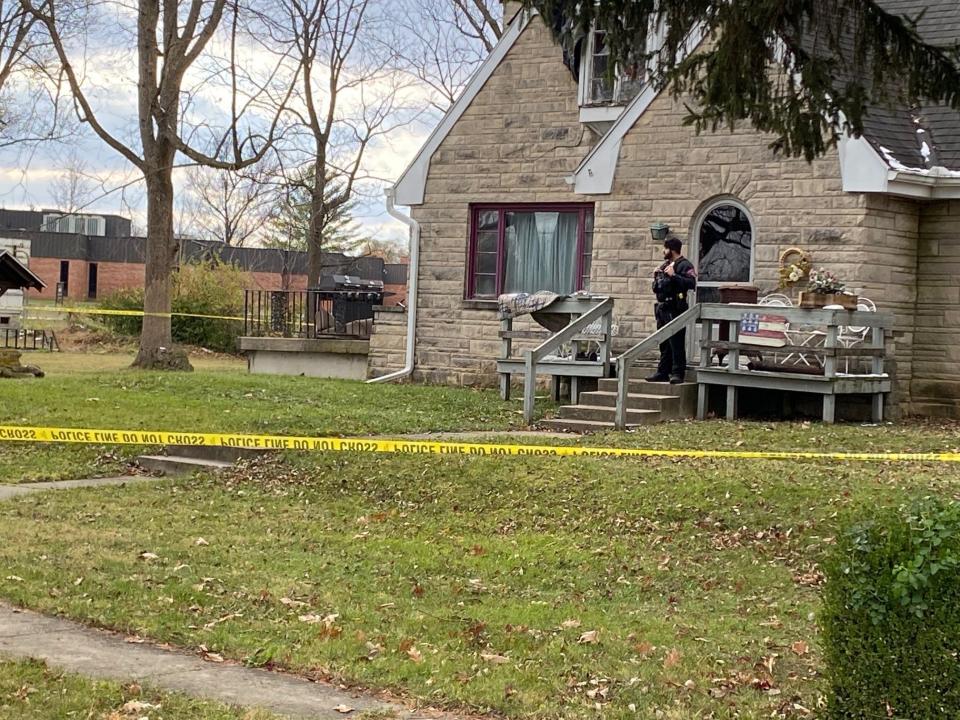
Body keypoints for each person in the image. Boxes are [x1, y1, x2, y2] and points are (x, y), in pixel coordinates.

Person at [647, 236, 697, 384]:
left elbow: (691, 283)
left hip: (676, 308)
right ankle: (663, 371)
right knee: (663, 342)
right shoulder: (665, 265)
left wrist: (674, 276)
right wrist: (656, 276)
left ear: (672, 250)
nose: (663, 251)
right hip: (663, 307)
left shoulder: (684, 265)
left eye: (665, 248)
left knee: (676, 341)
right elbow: (657, 287)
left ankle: (677, 372)